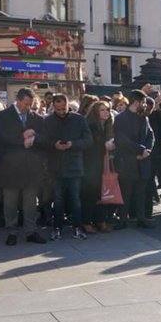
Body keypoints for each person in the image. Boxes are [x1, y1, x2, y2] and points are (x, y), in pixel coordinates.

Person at [0, 88, 47, 246]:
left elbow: (45, 137)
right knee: (10, 202)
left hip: (31, 167)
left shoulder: (36, 118)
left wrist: (34, 137)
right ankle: (12, 231)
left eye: (30, 104)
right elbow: (0, 137)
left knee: (30, 202)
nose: (27, 107)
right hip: (10, 167)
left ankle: (31, 231)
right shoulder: (2, 117)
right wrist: (22, 138)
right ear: (18, 100)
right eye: (25, 104)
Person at [39, 93, 91, 240]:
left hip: (74, 165)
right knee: (58, 199)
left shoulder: (79, 119)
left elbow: (88, 140)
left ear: (68, 105)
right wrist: (53, 144)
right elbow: (42, 140)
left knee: (75, 198)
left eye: (64, 108)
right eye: (58, 109)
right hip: (55, 166)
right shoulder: (47, 121)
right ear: (53, 107)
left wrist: (72, 144)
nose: (61, 112)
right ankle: (57, 227)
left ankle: (77, 227)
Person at [113, 90, 156, 229]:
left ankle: (141, 218)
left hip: (143, 161)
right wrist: (140, 149)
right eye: (143, 102)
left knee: (141, 192)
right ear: (136, 102)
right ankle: (123, 219)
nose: (145, 105)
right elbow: (122, 140)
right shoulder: (120, 118)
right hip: (128, 161)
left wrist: (147, 150)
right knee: (126, 192)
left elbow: (151, 135)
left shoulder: (144, 118)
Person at [82, 99, 115, 233]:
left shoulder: (109, 125)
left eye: (107, 109)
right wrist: (104, 145)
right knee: (90, 193)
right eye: (102, 110)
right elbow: (88, 145)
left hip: (105, 163)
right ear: (96, 112)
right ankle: (86, 222)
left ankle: (100, 220)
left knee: (103, 193)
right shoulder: (89, 124)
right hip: (91, 163)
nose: (106, 112)